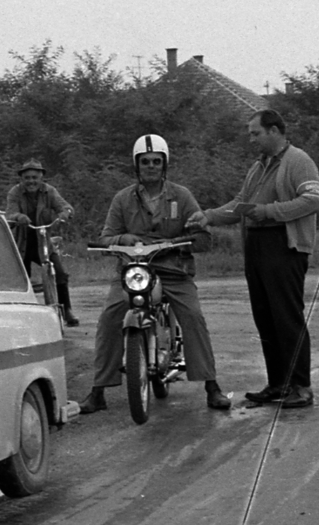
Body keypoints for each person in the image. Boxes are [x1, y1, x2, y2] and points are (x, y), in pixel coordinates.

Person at [78, 134, 231, 415]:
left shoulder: (182, 196)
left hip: (174, 270)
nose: (151, 166)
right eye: (145, 162)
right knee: (110, 316)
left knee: (193, 316)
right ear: (136, 166)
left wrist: (179, 242)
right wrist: (124, 239)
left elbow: (202, 237)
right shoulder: (122, 199)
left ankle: (212, 386)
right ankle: (98, 390)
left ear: (165, 165)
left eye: (156, 161)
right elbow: (106, 236)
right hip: (134, 270)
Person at [191, 110, 319, 411]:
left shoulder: (298, 161)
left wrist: (269, 211)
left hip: (284, 245)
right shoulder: (258, 167)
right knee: (265, 317)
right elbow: (241, 204)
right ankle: (278, 383)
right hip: (257, 245)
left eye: (256, 133)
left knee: (287, 317)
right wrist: (208, 216)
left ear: (274, 131)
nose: (251, 139)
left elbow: (314, 201)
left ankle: (301, 386)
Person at [3, 158, 79, 326]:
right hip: (21, 243)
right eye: (27, 177)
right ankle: (23, 315)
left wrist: (64, 214)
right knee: (22, 278)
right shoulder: (14, 193)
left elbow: (65, 207)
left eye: (35, 177)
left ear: (41, 178)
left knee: (60, 273)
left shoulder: (49, 191)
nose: (31, 181)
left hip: (43, 241)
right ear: (22, 179)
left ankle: (67, 310)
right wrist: (18, 217)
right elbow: (10, 213)